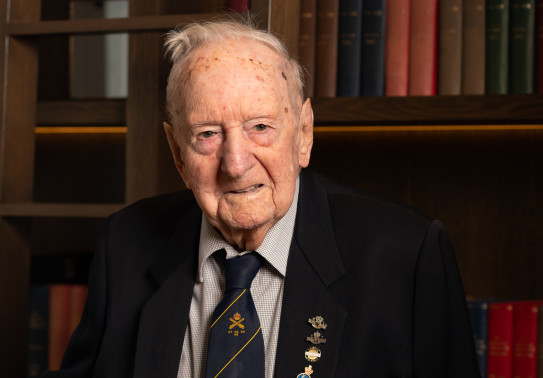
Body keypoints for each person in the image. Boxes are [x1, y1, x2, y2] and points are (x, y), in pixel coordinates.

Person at [43, 17, 480, 377]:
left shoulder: (406, 253)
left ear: (303, 133)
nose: (235, 163)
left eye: (260, 127)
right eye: (208, 134)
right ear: (177, 152)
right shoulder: (126, 243)